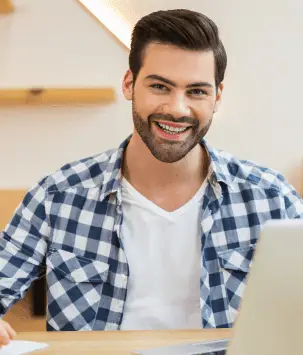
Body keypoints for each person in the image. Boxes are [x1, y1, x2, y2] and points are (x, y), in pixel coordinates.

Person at [0, 8, 302, 346]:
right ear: (129, 84)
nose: (177, 108)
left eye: (197, 92)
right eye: (160, 86)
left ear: (217, 96)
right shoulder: (58, 195)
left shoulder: (270, 197)